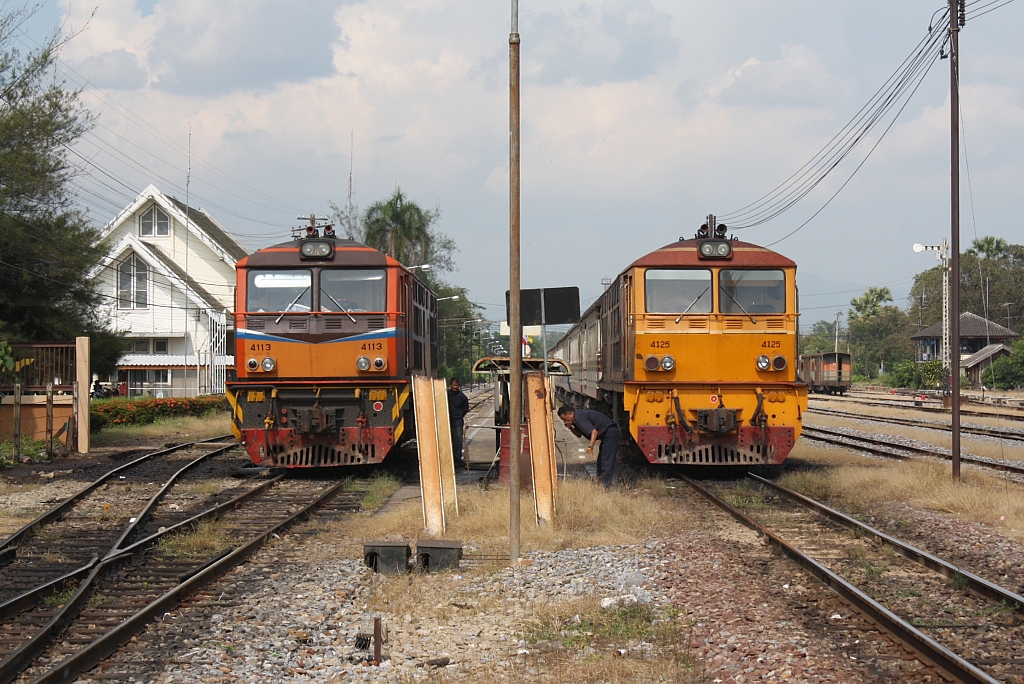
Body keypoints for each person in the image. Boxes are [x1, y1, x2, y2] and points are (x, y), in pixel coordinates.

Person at [557, 405, 619, 487]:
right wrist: (570, 428)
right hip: (606, 435)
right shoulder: (575, 419)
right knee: (601, 461)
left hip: (610, 433)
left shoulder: (579, 418)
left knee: (606, 461)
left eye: (565, 419)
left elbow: (594, 432)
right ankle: (600, 483)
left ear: (570, 413)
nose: (565, 422)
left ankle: (605, 486)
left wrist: (590, 447)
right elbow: (579, 434)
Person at [447, 378, 470, 467]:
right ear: (450, 385)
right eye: (453, 385)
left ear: (459, 386)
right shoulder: (447, 394)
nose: (455, 387)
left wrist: (459, 416)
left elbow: (465, 409)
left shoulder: (462, 397)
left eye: (456, 385)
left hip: (457, 422)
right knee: (449, 441)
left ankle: (457, 461)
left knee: (458, 441)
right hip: (447, 421)